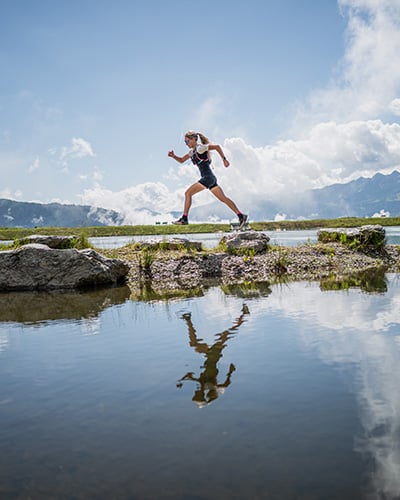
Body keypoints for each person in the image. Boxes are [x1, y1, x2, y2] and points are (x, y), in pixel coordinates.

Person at [168, 131, 247, 227]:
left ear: (194, 139)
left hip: (207, 178)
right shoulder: (191, 152)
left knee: (188, 193)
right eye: (185, 142)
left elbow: (217, 147)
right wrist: (173, 156)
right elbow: (181, 160)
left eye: (187, 141)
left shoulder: (200, 148)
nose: (186, 144)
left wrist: (224, 159)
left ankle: (184, 218)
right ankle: (240, 215)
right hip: (211, 179)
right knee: (224, 199)